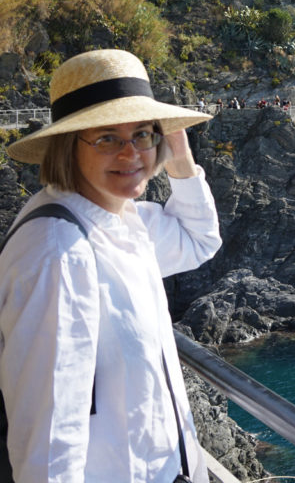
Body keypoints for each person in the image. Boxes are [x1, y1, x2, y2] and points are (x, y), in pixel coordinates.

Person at [0, 49, 221, 482]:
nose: (131, 153)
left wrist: (177, 154)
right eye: (106, 138)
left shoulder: (119, 219)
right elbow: (48, 445)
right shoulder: (60, 253)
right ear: (67, 146)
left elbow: (199, 239)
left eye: (142, 133)